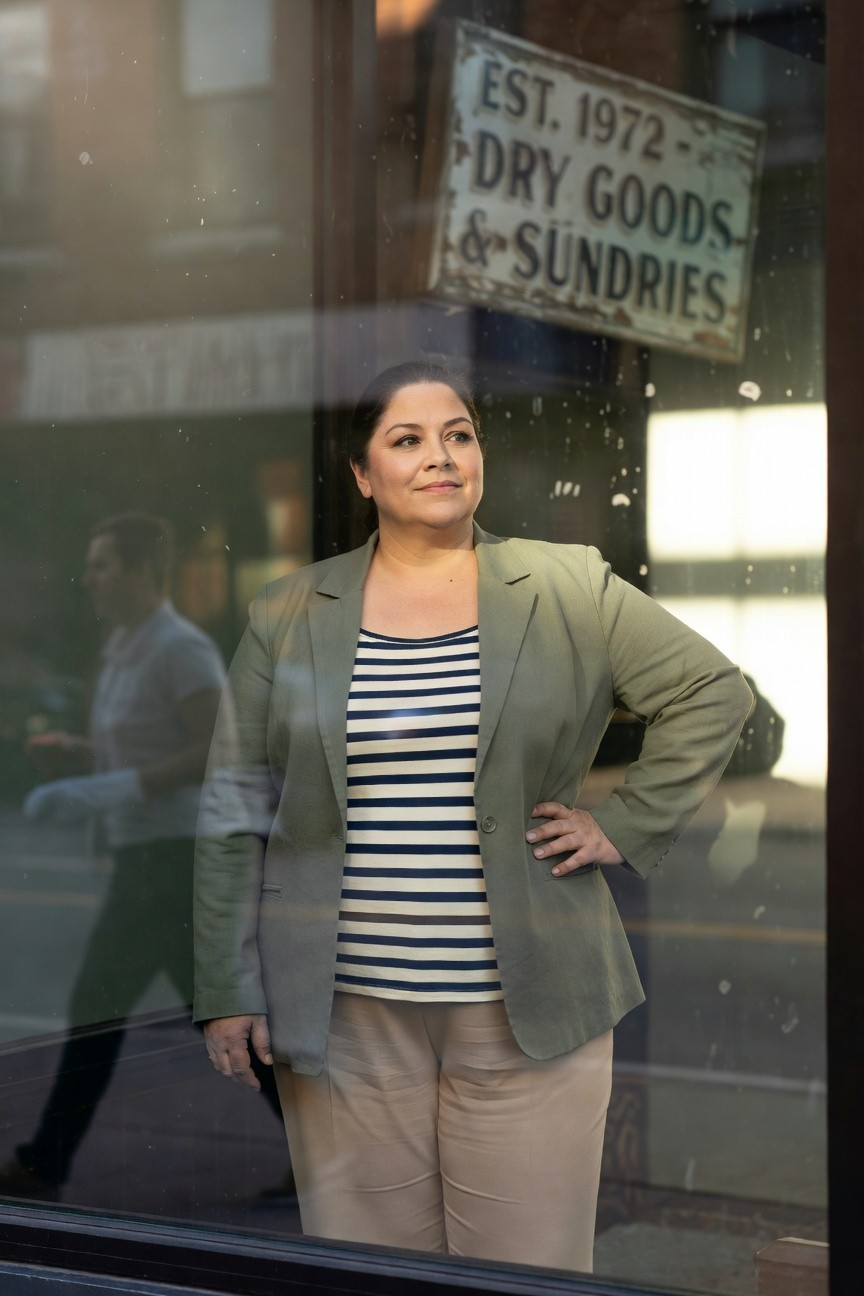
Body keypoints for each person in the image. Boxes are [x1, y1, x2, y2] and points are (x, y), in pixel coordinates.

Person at [195, 362, 752, 1272]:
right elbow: (234, 806)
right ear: (363, 476)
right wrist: (227, 989)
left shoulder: (568, 584)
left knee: (523, 1273)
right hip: (343, 1016)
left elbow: (711, 690)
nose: (440, 456)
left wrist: (627, 820)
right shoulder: (289, 609)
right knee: (371, 1272)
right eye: (407, 441)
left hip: (529, 1006)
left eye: (458, 434)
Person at [0, 512, 227, 1199]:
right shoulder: (124, 645)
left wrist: (123, 784)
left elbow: (214, 745)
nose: (90, 578)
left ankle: (45, 1163)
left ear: (138, 573)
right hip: (144, 855)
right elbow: (140, 744)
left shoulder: (179, 648)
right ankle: (328, 1149)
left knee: (100, 1006)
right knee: (213, 1013)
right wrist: (83, 757)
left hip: (172, 854)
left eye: (102, 565)